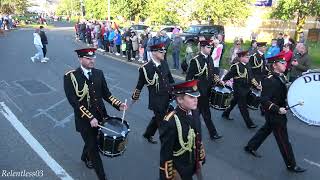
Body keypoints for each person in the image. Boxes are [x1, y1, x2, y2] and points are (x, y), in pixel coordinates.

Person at [64, 48, 128, 180]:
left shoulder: (99, 73)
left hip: (100, 117)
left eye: (93, 58)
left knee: (91, 141)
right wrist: (89, 117)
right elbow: (74, 102)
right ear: (80, 59)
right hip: (84, 119)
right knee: (93, 147)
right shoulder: (70, 77)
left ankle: (84, 157)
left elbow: (106, 94)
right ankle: (102, 176)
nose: (92, 60)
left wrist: (118, 104)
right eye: (88, 58)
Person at [244, 54, 306, 173]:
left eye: (285, 63)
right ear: (275, 65)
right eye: (282, 63)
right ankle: (291, 165)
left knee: (266, 129)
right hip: (275, 114)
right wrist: (277, 109)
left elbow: (282, 93)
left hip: (279, 111)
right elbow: (263, 99)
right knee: (283, 140)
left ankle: (250, 146)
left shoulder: (281, 77)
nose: (285, 64)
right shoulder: (270, 80)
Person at [159, 80, 205, 180]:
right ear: (180, 99)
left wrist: (200, 158)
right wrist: (171, 175)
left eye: (196, 96)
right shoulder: (170, 122)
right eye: (191, 97)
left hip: (192, 163)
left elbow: (197, 137)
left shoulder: (195, 112)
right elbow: (166, 154)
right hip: (178, 170)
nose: (196, 99)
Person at [131, 41, 175, 144]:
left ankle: (148, 134)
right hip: (156, 101)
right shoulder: (145, 68)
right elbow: (139, 85)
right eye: (161, 51)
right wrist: (134, 99)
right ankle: (167, 146)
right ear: (154, 52)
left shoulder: (164, 63)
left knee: (158, 118)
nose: (164, 53)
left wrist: (175, 92)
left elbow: (170, 79)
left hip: (167, 97)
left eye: (164, 51)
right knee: (163, 124)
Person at [186, 40, 222, 140]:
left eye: (211, 47)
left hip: (207, 91)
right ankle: (190, 133)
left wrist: (218, 81)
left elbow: (212, 73)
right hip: (198, 92)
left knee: (203, 113)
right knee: (198, 114)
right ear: (202, 47)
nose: (210, 49)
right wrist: (193, 92)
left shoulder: (210, 58)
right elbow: (189, 78)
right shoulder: (195, 60)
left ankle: (211, 133)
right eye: (208, 47)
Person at [222, 50, 262, 129]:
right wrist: (222, 82)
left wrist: (257, 85)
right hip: (239, 90)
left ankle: (226, 113)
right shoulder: (236, 66)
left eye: (248, 56)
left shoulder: (248, 65)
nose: (248, 58)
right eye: (246, 57)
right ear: (241, 57)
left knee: (234, 102)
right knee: (243, 107)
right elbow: (228, 76)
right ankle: (249, 124)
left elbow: (251, 78)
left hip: (246, 88)